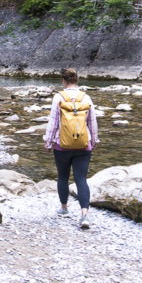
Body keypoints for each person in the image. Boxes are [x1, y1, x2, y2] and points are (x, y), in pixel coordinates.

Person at [43, 67, 98, 227]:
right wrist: (93, 141)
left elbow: (53, 123)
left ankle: (64, 209)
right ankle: (84, 215)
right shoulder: (86, 98)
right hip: (83, 145)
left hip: (62, 145)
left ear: (64, 81)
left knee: (63, 176)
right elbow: (92, 122)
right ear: (77, 80)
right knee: (81, 179)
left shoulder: (58, 97)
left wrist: (48, 142)